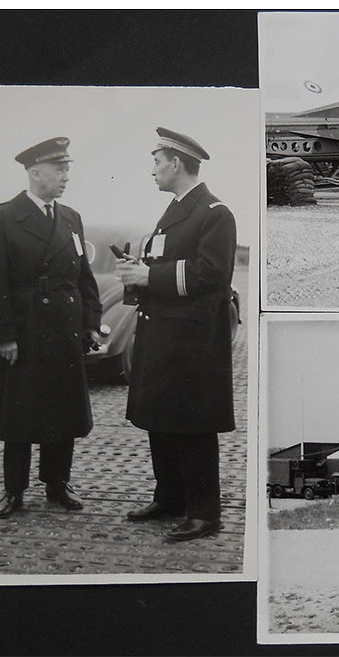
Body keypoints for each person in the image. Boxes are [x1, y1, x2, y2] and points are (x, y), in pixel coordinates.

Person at [118, 127, 236, 541]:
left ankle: (204, 514)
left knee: (192, 426)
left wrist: (150, 275)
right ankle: (170, 497)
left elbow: (211, 274)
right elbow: (165, 264)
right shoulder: (175, 209)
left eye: (156, 161)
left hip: (192, 341)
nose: (153, 170)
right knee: (162, 421)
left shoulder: (215, 212)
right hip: (164, 335)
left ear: (177, 163)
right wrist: (139, 271)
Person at [0, 137, 102, 519]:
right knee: (18, 413)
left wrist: (91, 324)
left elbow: (84, 277)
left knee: (62, 409)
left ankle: (57, 483)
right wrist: (2, 335)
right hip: (24, 330)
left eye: (68, 168)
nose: (66, 176)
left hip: (64, 330)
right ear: (35, 172)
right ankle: (13, 490)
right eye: (60, 169)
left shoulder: (71, 218)